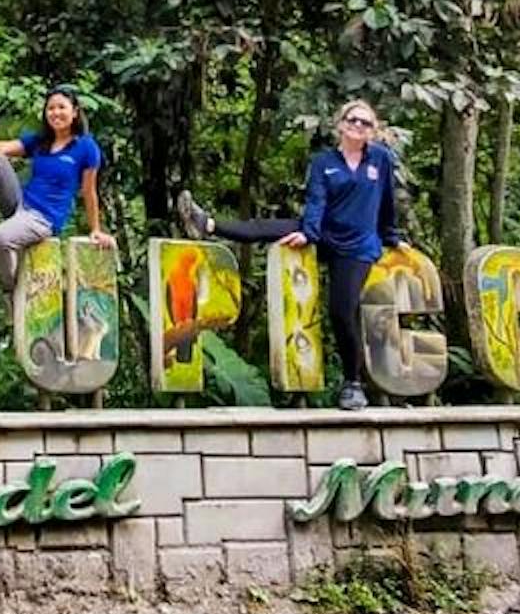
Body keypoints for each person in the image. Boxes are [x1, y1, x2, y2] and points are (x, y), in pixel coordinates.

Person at [174, 99, 406, 411]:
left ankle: (353, 382)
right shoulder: (325, 161)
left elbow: (388, 202)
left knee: (341, 310)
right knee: (271, 227)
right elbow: (316, 201)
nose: (358, 126)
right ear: (340, 124)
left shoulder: (380, 159)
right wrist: (309, 233)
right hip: (325, 232)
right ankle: (209, 224)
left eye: (365, 123)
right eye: (352, 119)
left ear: (373, 130)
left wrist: (392, 237)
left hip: (358, 247)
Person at [0, 85, 116, 289]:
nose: (55, 113)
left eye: (61, 107)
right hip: (21, 205)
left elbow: (89, 192)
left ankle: (13, 290)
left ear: (74, 112)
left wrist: (96, 229)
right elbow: (2, 147)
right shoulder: (40, 141)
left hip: (43, 219)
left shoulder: (86, 147)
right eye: (50, 108)